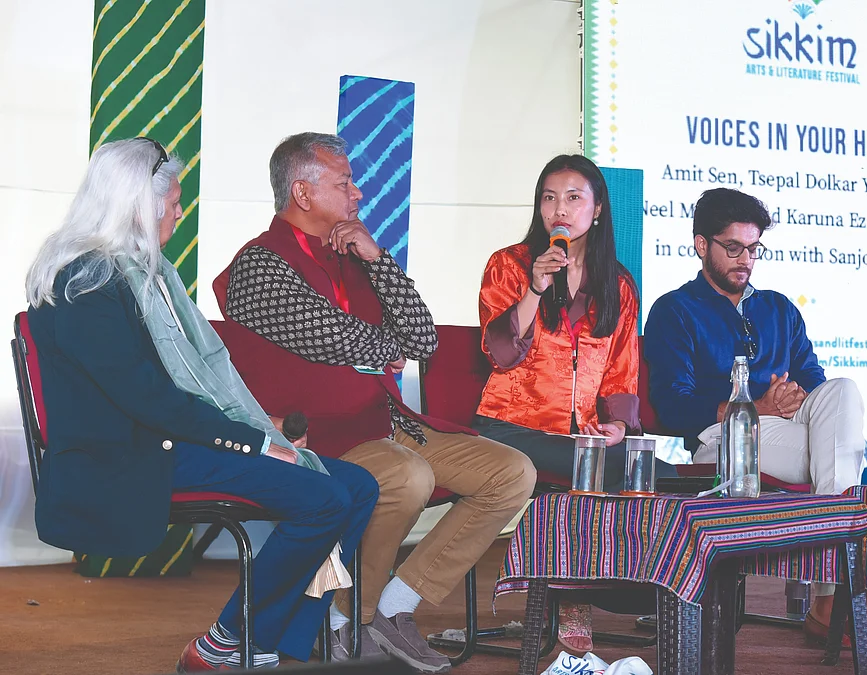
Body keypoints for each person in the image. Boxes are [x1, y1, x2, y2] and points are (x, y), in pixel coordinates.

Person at [24, 138, 378, 672]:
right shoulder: (88, 282)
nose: (179, 211)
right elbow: (148, 399)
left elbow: (180, 389)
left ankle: (274, 642)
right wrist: (255, 440)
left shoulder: (141, 276)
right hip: (130, 456)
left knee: (357, 486)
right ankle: (224, 643)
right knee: (324, 497)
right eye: (173, 202)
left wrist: (262, 430)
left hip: (163, 438)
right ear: (139, 205)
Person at [214, 133, 536, 673]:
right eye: (343, 183)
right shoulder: (257, 267)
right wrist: (391, 347)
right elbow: (341, 338)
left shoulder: (352, 253)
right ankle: (344, 619)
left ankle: (392, 608)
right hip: (320, 435)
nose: (358, 193)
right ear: (303, 191)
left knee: (511, 472)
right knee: (406, 475)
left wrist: (377, 256)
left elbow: (423, 340)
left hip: (387, 421)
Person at [643, 187, 867, 648]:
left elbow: (813, 377)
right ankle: (838, 592)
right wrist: (752, 408)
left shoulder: (778, 307)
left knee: (844, 392)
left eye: (753, 249)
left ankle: (832, 596)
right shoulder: (675, 310)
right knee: (839, 454)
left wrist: (789, 401)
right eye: (733, 248)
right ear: (700, 245)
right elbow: (672, 404)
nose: (745, 259)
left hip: (789, 429)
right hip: (722, 439)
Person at [473, 154, 676, 653]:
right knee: (589, 472)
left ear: (599, 209)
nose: (558, 209)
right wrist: (534, 290)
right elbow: (499, 353)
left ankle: (640, 589)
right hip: (511, 425)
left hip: (583, 433)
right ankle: (572, 598)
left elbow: (623, 371)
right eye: (549, 197)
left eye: (572, 197)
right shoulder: (509, 264)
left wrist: (620, 429)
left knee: (661, 475)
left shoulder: (619, 285)